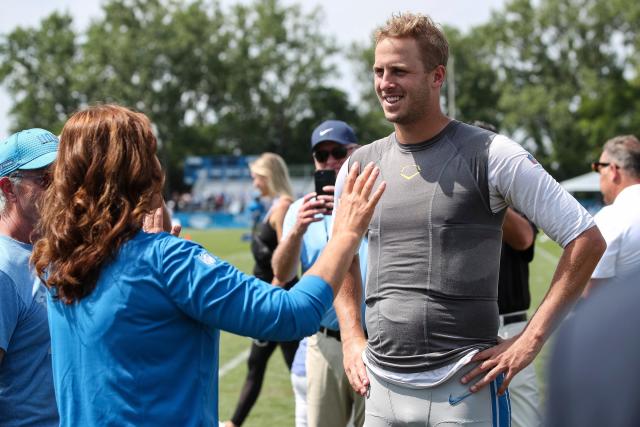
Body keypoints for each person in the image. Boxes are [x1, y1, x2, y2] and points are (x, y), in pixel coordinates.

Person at [30, 104, 385, 427]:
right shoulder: (167, 261)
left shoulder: (57, 261)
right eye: (150, 154)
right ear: (141, 171)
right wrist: (346, 232)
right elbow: (292, 313)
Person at [333, 13, 606, 426]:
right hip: (381, 386)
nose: (385, 83)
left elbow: (586, 238)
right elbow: (341, 253)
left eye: (400, 71)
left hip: (463, 386)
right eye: (379, 71)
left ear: (436, 75)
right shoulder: (358, 166)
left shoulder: (492, 154)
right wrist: (352, 337)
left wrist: (530, 340)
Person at [271, 120, 366, 427]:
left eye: (338, 152)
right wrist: (296, 231)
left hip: (377, 343)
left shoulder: (375, 201)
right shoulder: (300, 211)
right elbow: (282, 274)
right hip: (326, 343)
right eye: (321, 156)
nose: (330, 162)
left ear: (356, 153)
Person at [474, 122, 543, 427]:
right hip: (461, 331)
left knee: (524, 420)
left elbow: (524, 238)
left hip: (511, 328)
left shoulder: (516, 197)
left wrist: (487, 193)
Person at [223, 153, 299, 427]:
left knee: (293, 370)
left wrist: (270, 300)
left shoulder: (283, 208)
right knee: (264, 366)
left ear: (269, 176)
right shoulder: (273, 206)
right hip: (271, 300)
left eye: (256, 176)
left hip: (276, 303)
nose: (254, 182)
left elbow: (288, 262)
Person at [0, 128, 59, 426]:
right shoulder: (3, 268)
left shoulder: (50, 249)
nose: (60, 190)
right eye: (45, 180)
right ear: (9, 189)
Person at [582, 134, 640, 295]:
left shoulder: (610, 218)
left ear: (613, 170)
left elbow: (591, 296)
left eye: (599, 169)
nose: (599, 177)